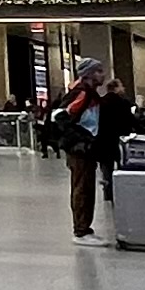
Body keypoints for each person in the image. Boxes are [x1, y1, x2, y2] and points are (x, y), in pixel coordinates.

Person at [50, 60, 127, 240]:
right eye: (99, 71)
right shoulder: (82, 94)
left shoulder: (90, 94)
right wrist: (80, 139)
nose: (103, 75)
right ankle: (81, 230)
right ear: (89, 74)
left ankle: (84, 227)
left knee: (86, 186)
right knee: (82, 187)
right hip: (80, 150)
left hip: (86, 149)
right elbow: (59, 116)